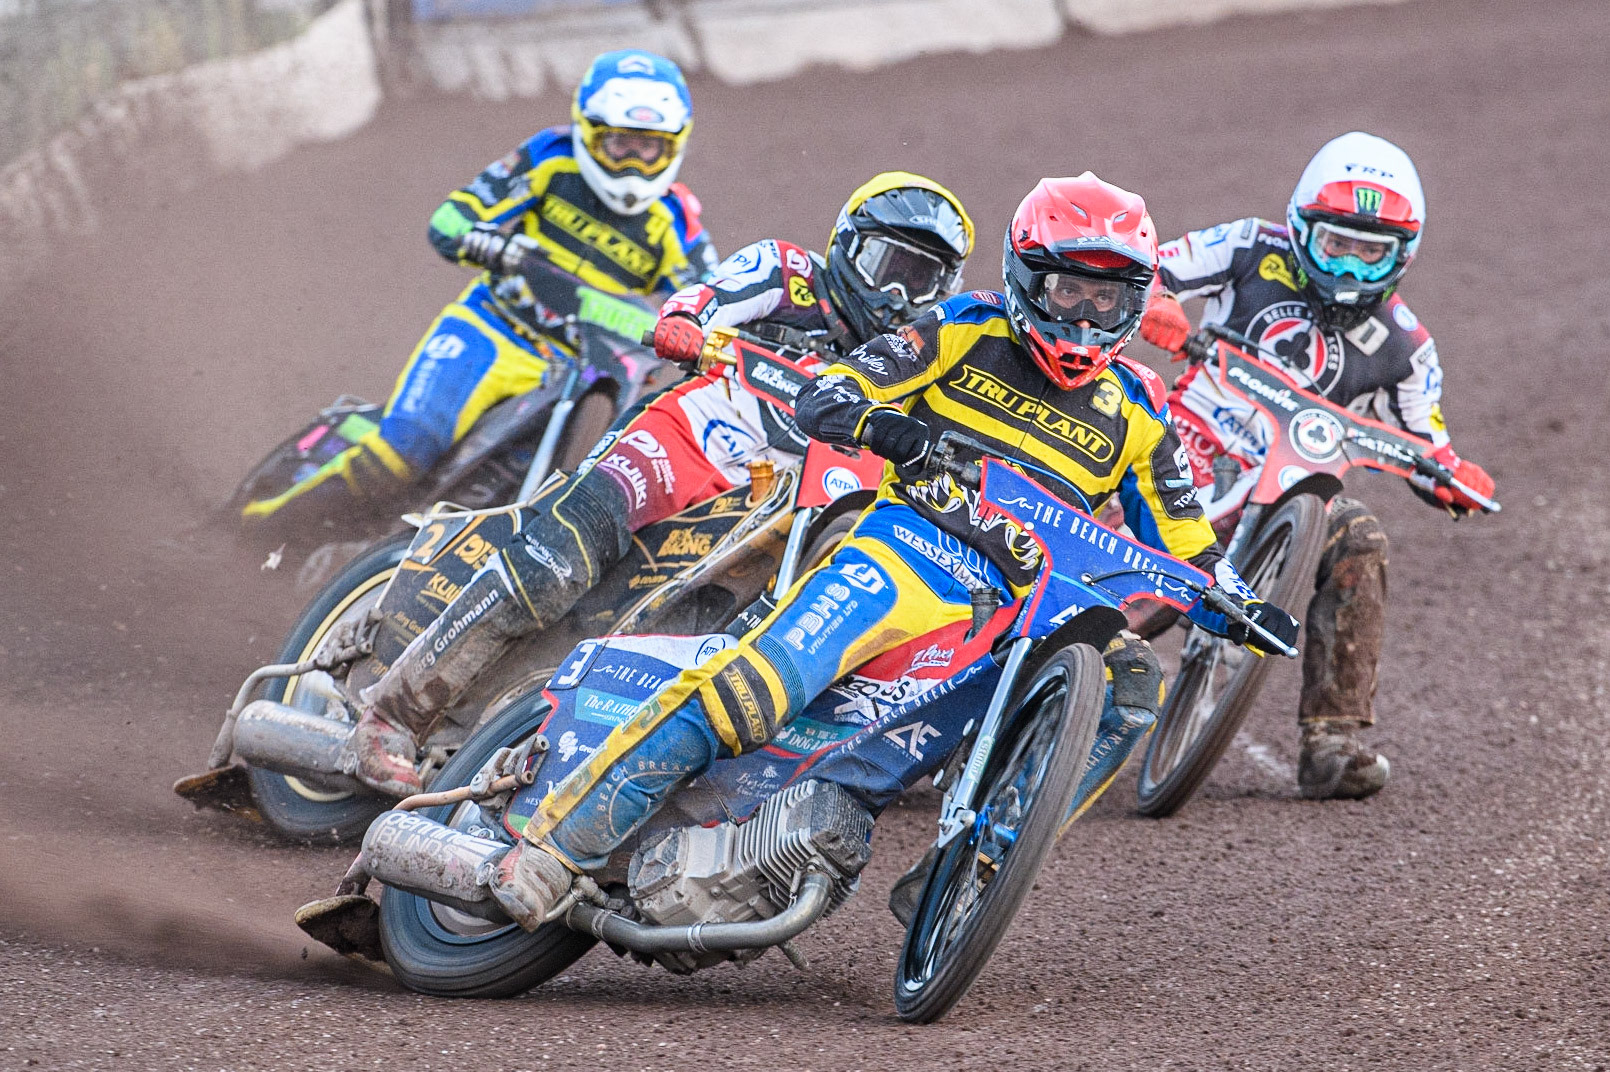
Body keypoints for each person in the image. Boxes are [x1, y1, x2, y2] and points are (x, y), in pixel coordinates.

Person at [485, 174, 1302, 930]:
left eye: (1107, 298)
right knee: (755, 690)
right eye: (1068, 291)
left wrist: (1239, 600)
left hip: (1021, 608)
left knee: (1129, 684)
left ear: (1134, 302)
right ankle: (557, 847)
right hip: (907, 550)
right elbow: (833, 390)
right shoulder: (958, 325)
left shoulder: (1141, 410)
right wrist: (892, 428)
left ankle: (977, 861)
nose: (1085, 318)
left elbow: (1188, 544)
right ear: (1027, 278)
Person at [343, 172, 977, 796]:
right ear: (847, 244)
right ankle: (391, 716)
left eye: (922, 279)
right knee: (560, 556)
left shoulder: (918, 358)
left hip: (785, 500)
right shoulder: (789, 271)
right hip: (692, 434)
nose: (898, 292)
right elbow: (711, 294)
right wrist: (686, 320)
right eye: (888, 264)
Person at [1137, 131, 1496, 800]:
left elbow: (1427, 441)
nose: (1352, 269)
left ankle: (1332, 741)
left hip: (1293, 491)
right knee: (1098, 511)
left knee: (1361, 538)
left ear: (1403, 257)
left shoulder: (1408, 346)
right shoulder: (1249, 246)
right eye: (1337, 245)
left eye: (1371, 254)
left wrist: (1453, 477)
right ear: (1303, 227)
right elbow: (1147, 267)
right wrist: (1158, 307)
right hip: (1185, 451)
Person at [240, 49, 717, 528]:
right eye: (620, 144)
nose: (633, 162)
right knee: (402, 452)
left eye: (648, 147)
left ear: (674, 146)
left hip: (577, 371)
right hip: (492, 329)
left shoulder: (676, 221)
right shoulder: (550, 158)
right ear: (589, 133)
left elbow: (712, 303)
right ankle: (252, 527)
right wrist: (494, 247)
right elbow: (449, 220)